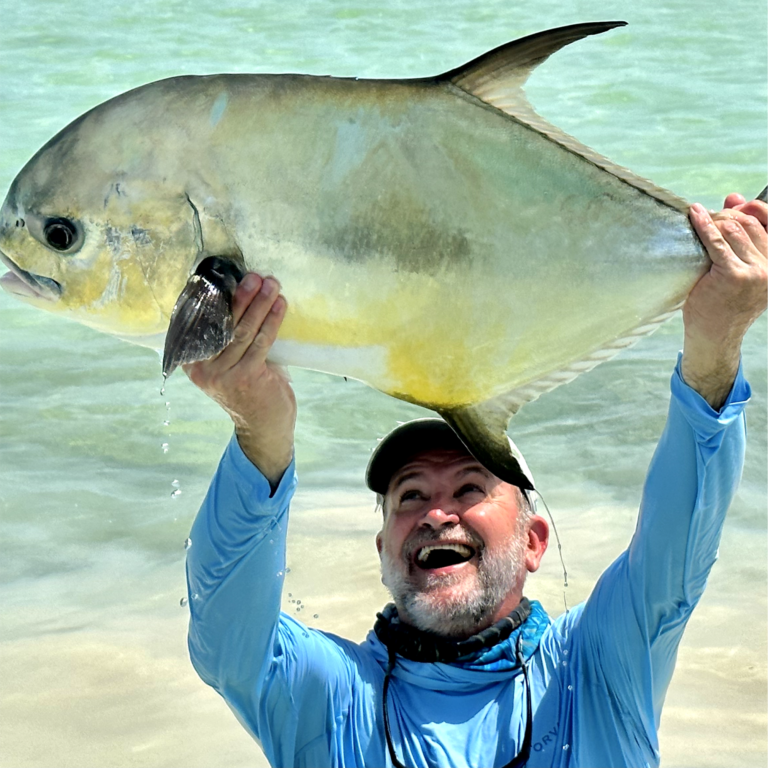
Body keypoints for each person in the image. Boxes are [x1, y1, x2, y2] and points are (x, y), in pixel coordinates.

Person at [183, 194, 768, 768]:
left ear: (534, 540)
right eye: (410, 495)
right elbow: (227, 635)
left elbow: (677, 545)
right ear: (383, 550)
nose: (437, 514)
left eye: (469, 489)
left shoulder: (596, 665)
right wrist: (261, 430)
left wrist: (715, 345)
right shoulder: (329, 696)